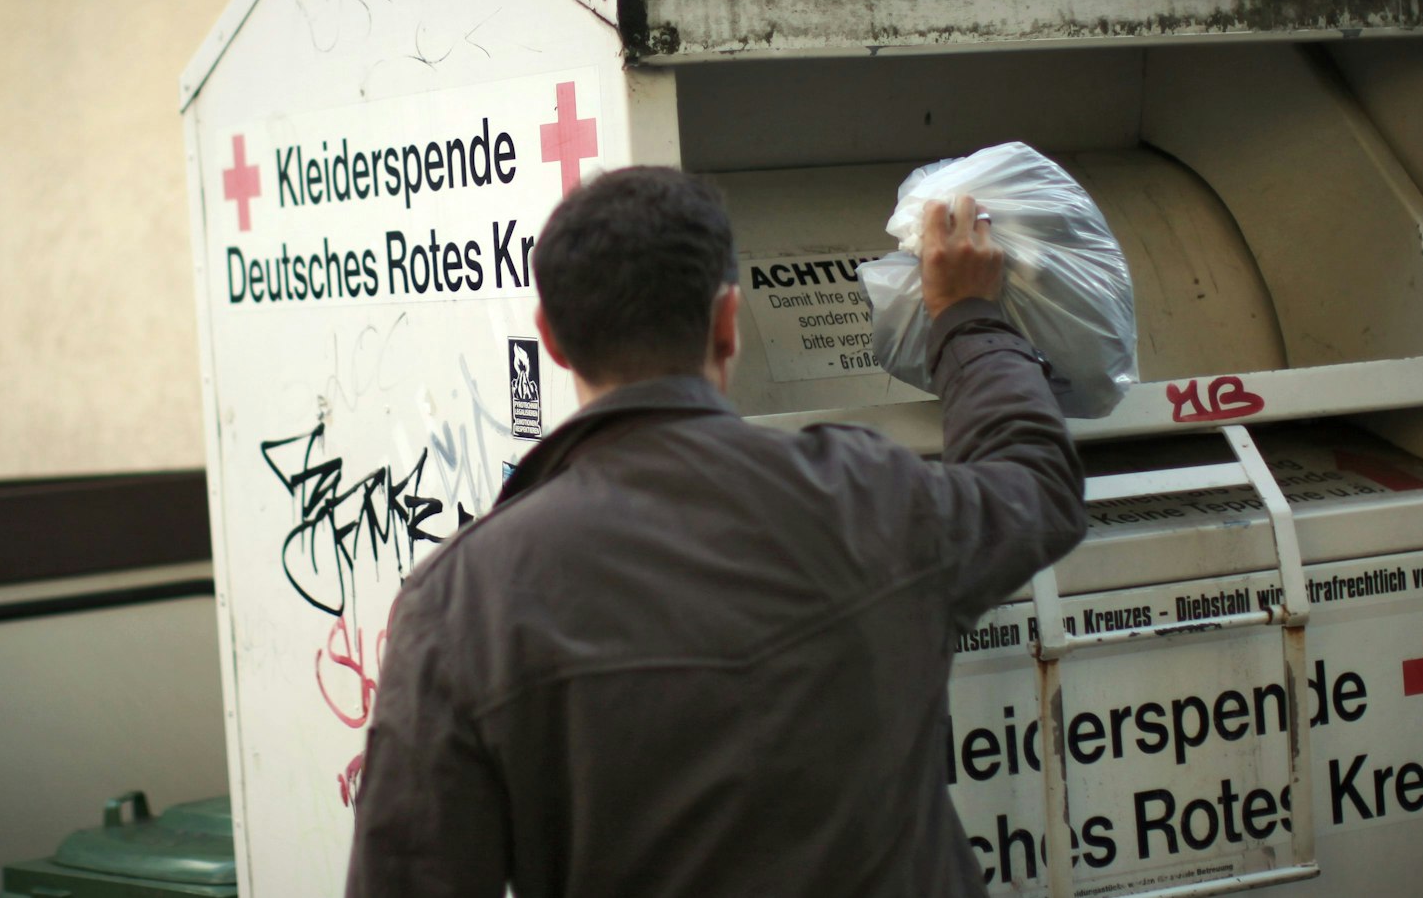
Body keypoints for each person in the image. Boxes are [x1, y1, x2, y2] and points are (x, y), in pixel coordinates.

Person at [346, 166, 1085, 897]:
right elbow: (1035, 486)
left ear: (553, 339)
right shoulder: (871, 495)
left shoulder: (459, 602)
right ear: (727, 320)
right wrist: (964, 315)